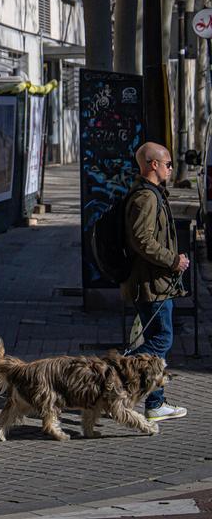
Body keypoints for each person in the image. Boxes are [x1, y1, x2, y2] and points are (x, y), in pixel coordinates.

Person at [124, 141, 189, 422]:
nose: (171, 168)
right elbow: (143, 241)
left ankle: (155, 402)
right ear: (153, 165)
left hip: (157, 282)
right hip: (152, 284)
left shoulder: (152, 194)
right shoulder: (145, 197)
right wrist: (173, 260)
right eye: (168, 164)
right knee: (161, 338)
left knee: (156, 338)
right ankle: (118, 371)